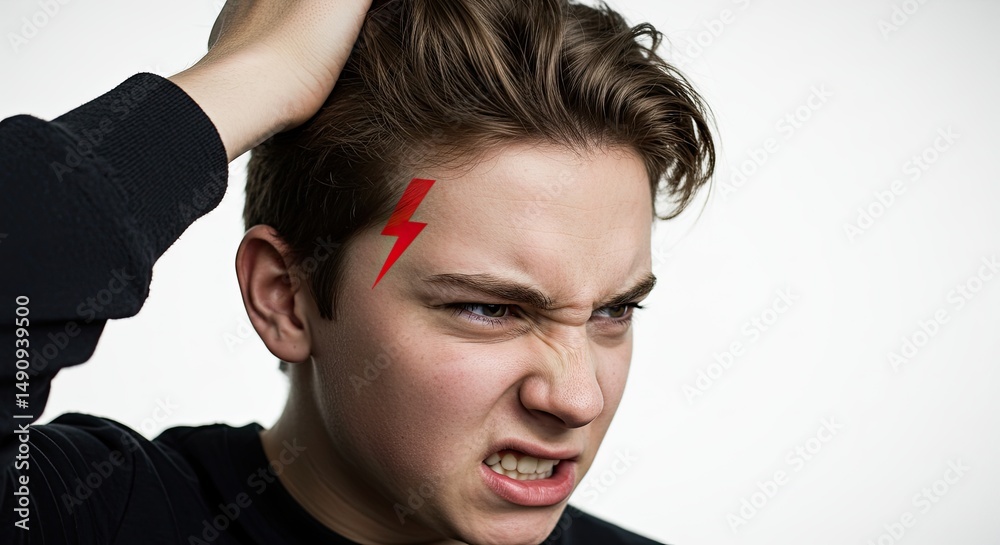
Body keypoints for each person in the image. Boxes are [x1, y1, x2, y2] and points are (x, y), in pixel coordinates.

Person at [0, 0, 715, 543]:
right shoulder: (92, 516)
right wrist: (249, 77)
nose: (578, 397)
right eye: (490, 309)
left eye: (612, 311)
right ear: (286, 297)